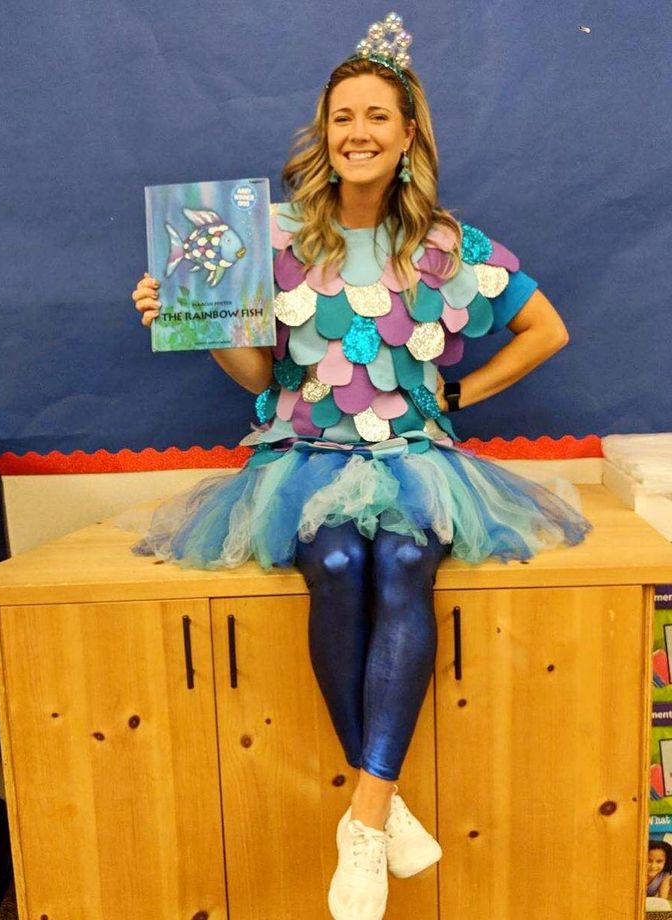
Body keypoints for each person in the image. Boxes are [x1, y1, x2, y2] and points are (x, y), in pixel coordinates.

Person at [131, 12, 591, 920]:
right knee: (338, 564)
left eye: (377, 116)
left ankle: (367, 819)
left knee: (407, 560)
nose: (359, 133)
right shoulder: (276, 239)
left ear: (407, 132)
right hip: (304, 457)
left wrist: (459, 398)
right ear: (324, 131)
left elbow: (548, 329)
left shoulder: (444, 245)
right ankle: (385, 806)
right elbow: (260, 376)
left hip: (414, 456)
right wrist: (191, 320)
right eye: (344, 117)